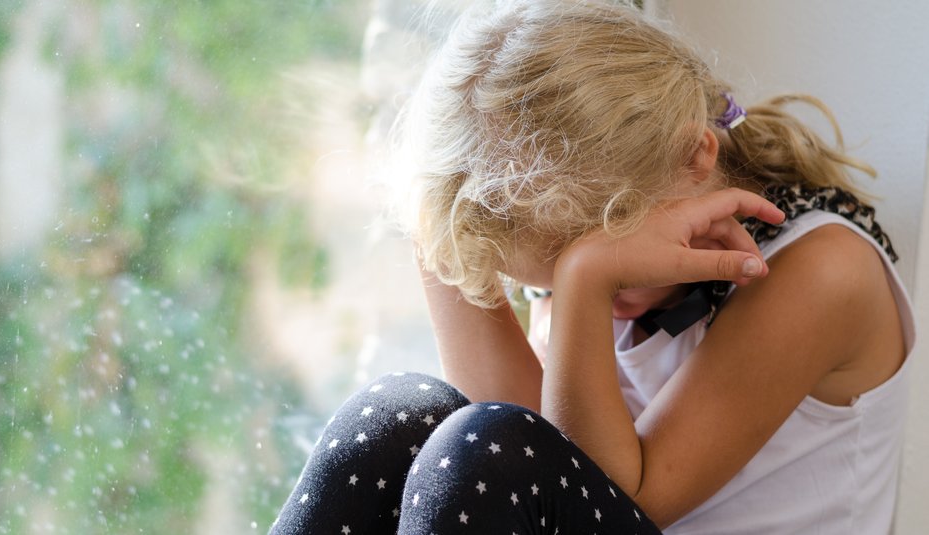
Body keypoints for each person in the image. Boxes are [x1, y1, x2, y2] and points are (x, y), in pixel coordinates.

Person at [269, 1, 915, 533]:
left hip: (633, 501)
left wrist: (583, 280)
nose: (597, 299)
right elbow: (524, 440)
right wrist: (443, 224)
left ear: (696, 156)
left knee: (488, 449)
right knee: (400, 415)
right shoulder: (591, 229)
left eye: (610, 266)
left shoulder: (821, 272)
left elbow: (616, 492)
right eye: (545, 283)